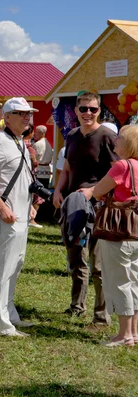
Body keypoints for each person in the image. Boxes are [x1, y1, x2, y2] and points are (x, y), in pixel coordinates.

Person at [53, 91, 117, 329]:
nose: (88, 113)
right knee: (75, 259)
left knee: (98, 265)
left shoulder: (107, 136)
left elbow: (116, 173)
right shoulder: (71, 135)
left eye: (93, 109)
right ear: (76, 111)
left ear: (99, 111)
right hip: (72, 206)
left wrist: (94, 191)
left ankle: (101, 317)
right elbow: (67, 169)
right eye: (83, 109)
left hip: (98, 208)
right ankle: (76, 306)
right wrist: (58, 191)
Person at [0, 97, 36, 337]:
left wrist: (32, 206)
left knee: (16, 266)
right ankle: (1, 324)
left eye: (28, 113)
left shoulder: (19, 141)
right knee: (5, 269)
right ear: (7, 117)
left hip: (22, 215)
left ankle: (10, 315)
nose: (26, 117)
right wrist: (2, 208)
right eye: (20, 113)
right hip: (8, 217)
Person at [78, 125, 138, 347]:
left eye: (120, 139)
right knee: (135, 281)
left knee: (120, 281)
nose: (115, 142)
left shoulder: (122, 166)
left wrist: (87, 191)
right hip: (137, 231)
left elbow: (99, 190)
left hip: (118, 232)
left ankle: (123, 335)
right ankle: (133, 332)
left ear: (128, 143)